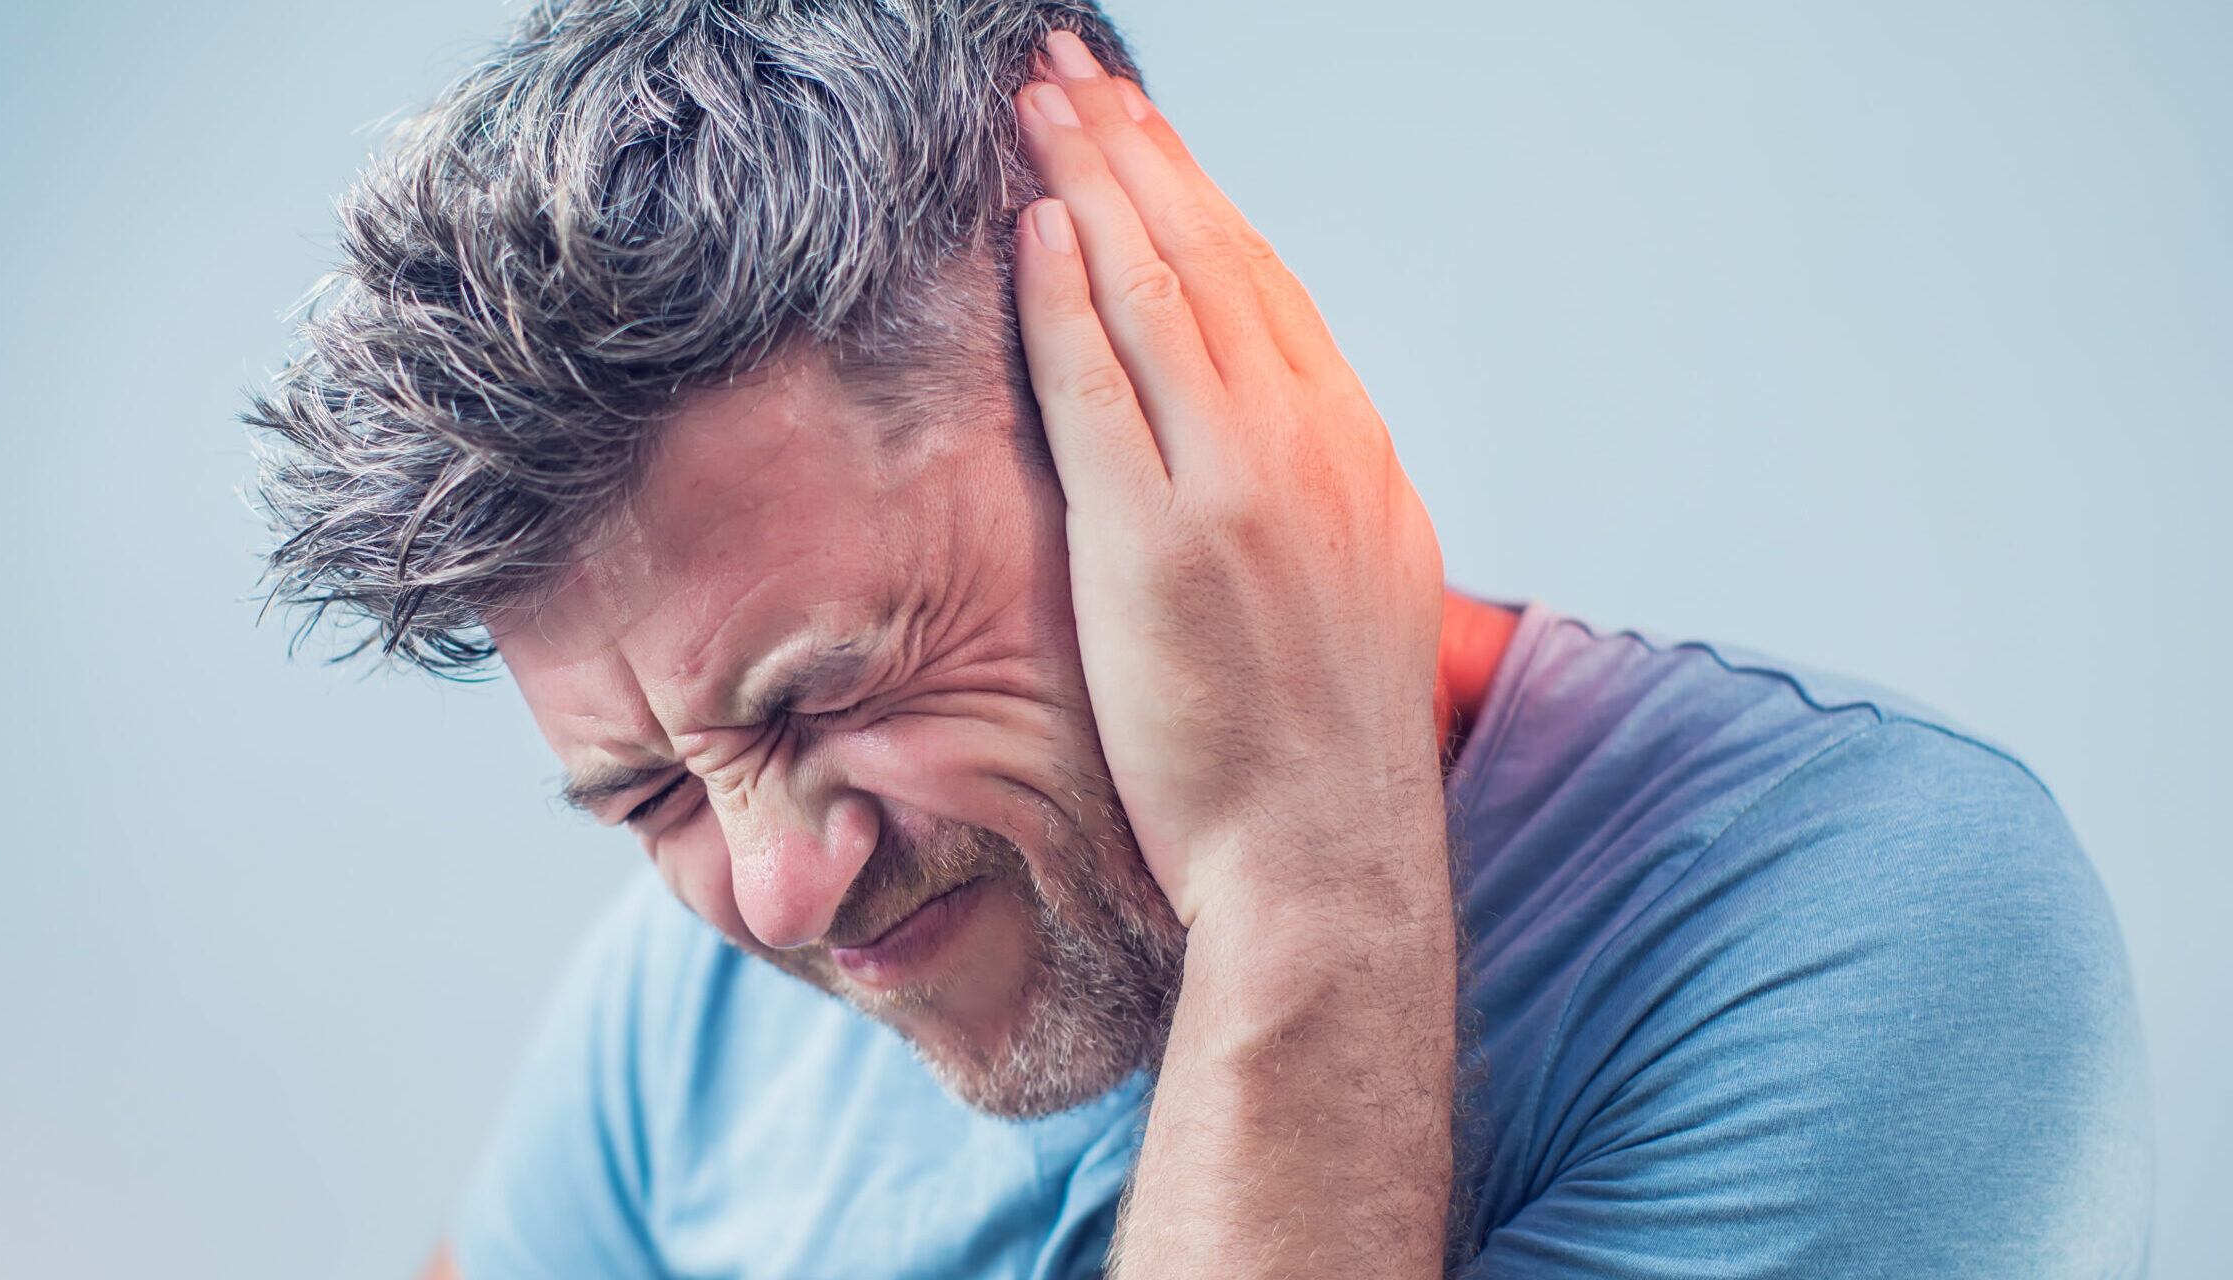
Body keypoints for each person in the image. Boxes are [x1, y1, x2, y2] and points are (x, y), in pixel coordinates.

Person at [246, 2, 2151, 1275]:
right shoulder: (673, 1036)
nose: (780, 890)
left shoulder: (1865, 932)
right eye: (653, 791)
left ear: (1163, 421)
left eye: (834, 694)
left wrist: (1306, 885)